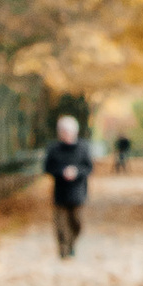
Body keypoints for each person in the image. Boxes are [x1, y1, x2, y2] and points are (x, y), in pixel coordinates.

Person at [42, 111, 93, 261]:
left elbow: (89, 168)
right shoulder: (53, 149)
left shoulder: (83, 148)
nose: (66, 134)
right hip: (60, 192)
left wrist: (76, 172)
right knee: (60, 224)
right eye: (63, 131)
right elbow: (47, 168)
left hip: (78, 192)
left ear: (75, 132)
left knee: (77, 223)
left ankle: (71, 243)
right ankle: (64, 249)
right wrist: (61, 172)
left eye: (68, 131)